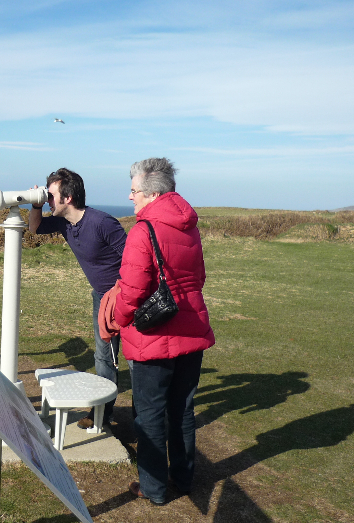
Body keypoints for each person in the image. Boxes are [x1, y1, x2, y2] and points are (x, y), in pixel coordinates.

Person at [113, 157, 215, 505]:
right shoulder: (189, 227)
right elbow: (198, 278)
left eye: (134, 190)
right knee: (182, 409)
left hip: (153, 336)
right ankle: (183, 479)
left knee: (150, 413)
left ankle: (153, 488)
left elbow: (132, 291)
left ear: (152, 193)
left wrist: (118, 319)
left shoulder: (143, 231)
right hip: (191, 327)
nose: (130, 197)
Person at [29, 168, 127, 429]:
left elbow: (134, 259)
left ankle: (144, 419)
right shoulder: (63, 222)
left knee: (136, 360)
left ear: (68, 198)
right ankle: (102, 415)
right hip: (101, 298)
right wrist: (36, 205)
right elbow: (34, 228)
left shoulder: (103, 223)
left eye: (51, 195)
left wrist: (123, 295)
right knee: (104, 357)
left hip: (125, 297)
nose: (48, 200)